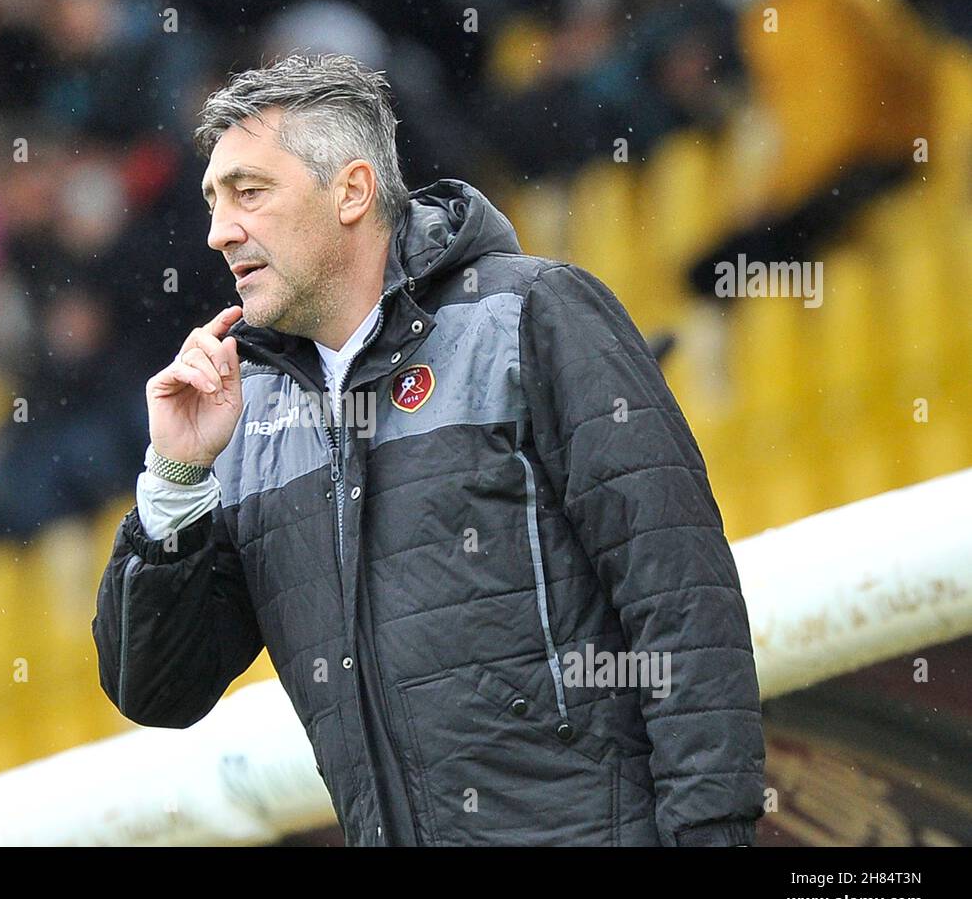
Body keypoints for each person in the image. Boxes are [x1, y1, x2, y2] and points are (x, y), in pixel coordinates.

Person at [91, 54, 766, 846]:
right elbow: (158, 690)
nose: (218, 231)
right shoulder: (245, 416)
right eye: (213, 200)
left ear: (351, 191)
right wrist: (175, 476)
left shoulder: (532, 314)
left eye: (250, 192)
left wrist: (711, 830)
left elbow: (681, 596)